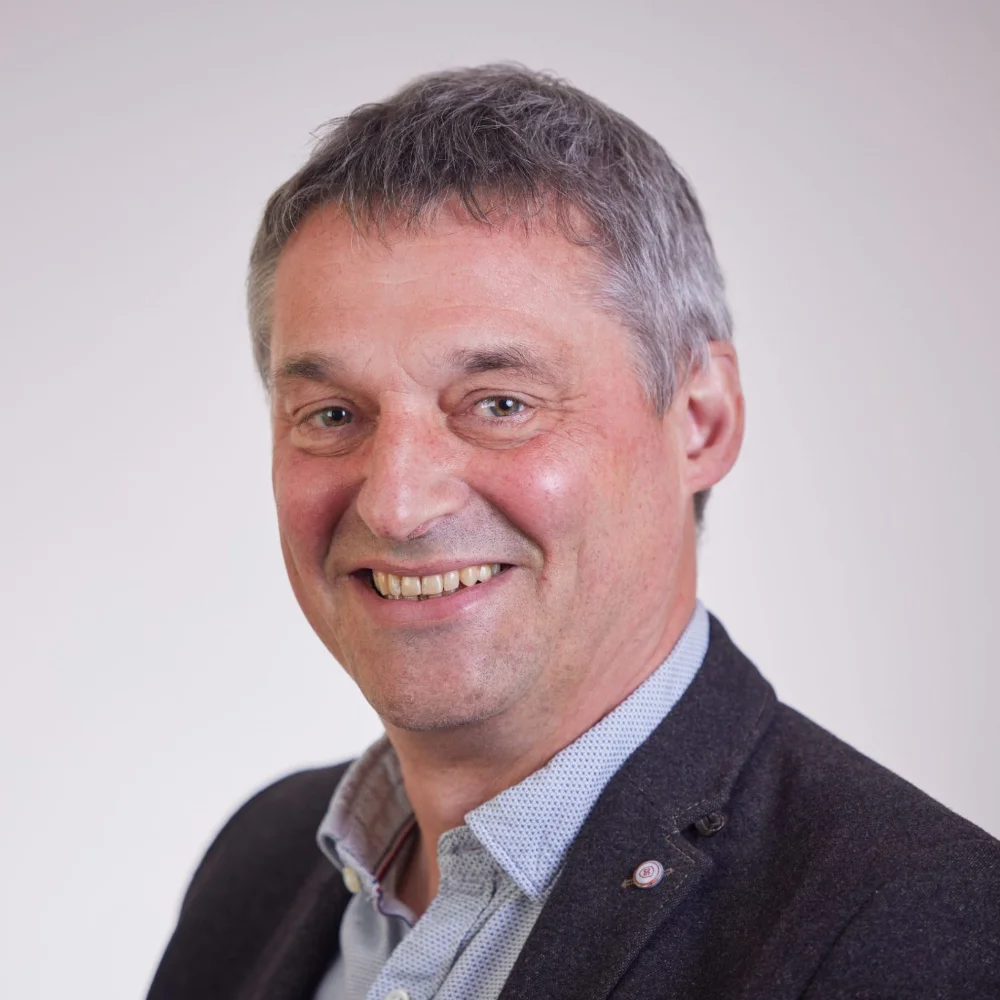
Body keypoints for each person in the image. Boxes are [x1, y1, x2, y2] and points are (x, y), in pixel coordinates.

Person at [148, 65, 1000, 1000]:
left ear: (701, 422)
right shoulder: (258, 865)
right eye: (332, 415)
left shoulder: (921, 933)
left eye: (499, 403)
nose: (395, 504)